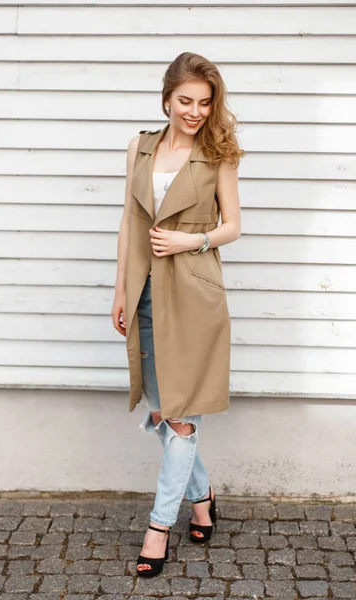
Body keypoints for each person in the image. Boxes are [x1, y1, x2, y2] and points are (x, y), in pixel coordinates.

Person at [111, 52, 244, 577]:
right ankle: (203, 495)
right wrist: (120, 290)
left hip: (194, 297)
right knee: (165, 412)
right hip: (145, 293)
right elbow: (128, 220)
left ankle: (159, 527)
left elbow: (232, 226)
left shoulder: (219, 154)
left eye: (205, 103)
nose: (195, 112)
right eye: (186, 101)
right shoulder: (139, 148)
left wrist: (192, 239)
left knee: (183, 417)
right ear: (167, 99)